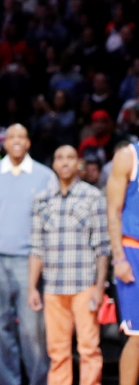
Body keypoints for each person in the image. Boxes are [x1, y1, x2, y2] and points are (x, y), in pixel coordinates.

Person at [0, 123, 56, 385]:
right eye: (12, 137)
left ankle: (37, 381)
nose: (17, 141)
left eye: (22, 136)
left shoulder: (44, 175)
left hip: (29, 260)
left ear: (28, 143)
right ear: (4, 143)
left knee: (32, 330)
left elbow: (51, 223)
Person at [29, 144, 109, 385]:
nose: (64, 162)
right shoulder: (41, 200)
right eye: (60, 158)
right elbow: (36, 247)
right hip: (53, 286)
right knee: (57, 351)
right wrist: (32, 286)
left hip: (84, 284)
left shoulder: (92, 196)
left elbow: (102, 246)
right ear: (53, 164)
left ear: (79, 164)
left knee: (89, 349)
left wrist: (99, 286)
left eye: (70, 158)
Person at [107, 140, 139, 385]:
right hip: (133, 251)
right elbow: (113, 211)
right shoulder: (128, 156)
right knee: (137, 335)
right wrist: (118, 258)